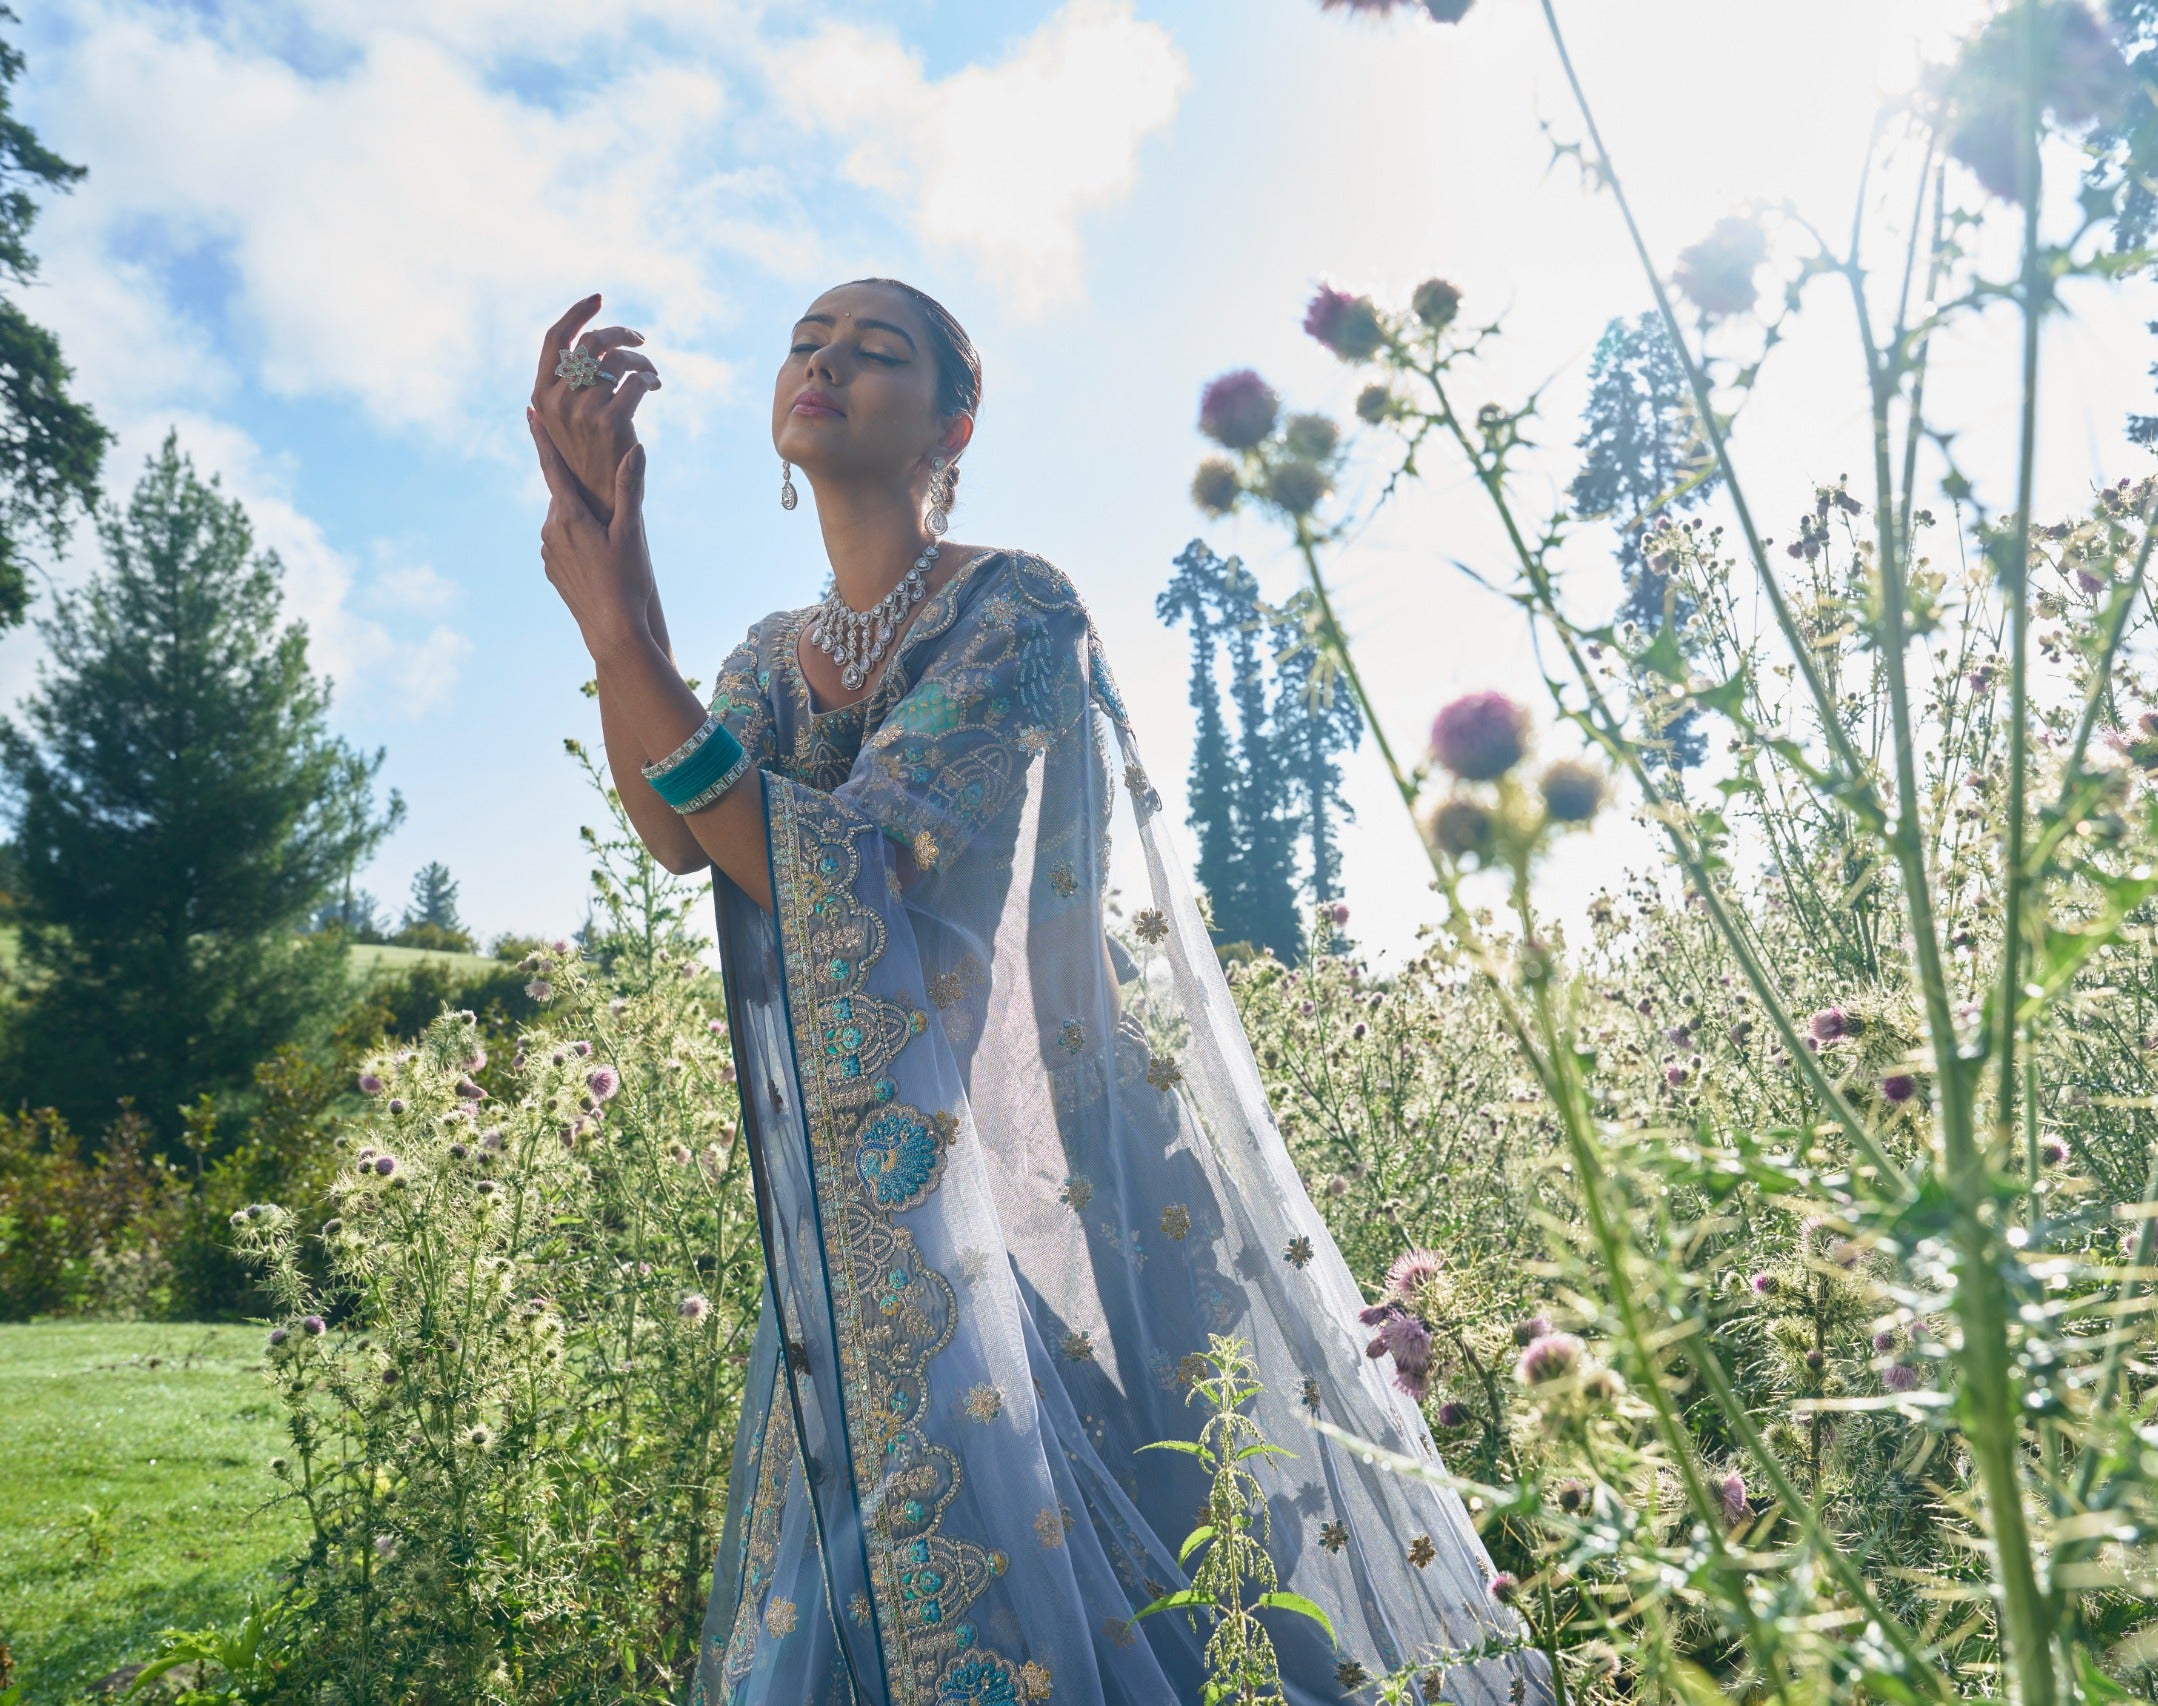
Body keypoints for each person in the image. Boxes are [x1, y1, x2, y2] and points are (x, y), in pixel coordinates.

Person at [526, 281, 1536, 1706]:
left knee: (1045, 1568)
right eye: (806, 342)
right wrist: (612, 578)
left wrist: (624, 636)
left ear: (956, 420)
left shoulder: (1015, 610)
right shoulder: (765, 659)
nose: (824, 361)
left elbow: (854, 861)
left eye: (874, 351)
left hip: (982, 1199)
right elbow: (677, 828)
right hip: (842, 1209)